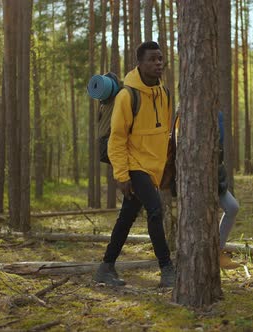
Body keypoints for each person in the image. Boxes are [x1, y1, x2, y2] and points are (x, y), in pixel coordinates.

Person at [93, 41, 175, 287]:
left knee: (127, 216)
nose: (157, 63)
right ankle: (167, 269)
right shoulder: (127, 96)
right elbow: (117, 139)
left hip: (154, 167)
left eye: (160, 59)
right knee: (155, 210)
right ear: (139, 63)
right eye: (152, 59)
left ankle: (106, 267)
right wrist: (122, 175)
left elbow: (164, 133)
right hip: (133, 164)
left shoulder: (166, 94)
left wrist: (165, 169)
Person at [217, 112, 241, 269]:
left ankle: (216, 253)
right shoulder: (185, 113)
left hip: (214, 176)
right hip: (192, 179)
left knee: (232, 207)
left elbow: (219, 148)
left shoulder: (218, 114)